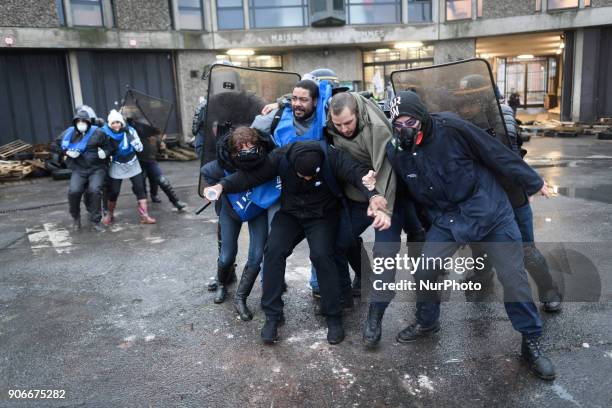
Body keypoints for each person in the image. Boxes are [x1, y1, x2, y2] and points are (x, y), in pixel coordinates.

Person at [378, 90, 555, 380]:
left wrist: (533, 182)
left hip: (489, 210)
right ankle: (427, 322)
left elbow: (496, 154)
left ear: (422, 117)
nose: (403, 128)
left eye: (409, 121)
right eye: (397, 123)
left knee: (513, 277)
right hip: (448, 219)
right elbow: (409, 194)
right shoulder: (396, 152)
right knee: (424, 271)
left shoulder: (451, 128)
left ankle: (531, 340)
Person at [204, 140, 390, 345]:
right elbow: (250, 177)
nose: (308, 178)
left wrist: (373, 195)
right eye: (303, 175)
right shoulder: (280, 157)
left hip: (322, 215)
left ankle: (334, 317)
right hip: (291, 214)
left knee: (322, 255)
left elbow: (356, 173)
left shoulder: (331, 156)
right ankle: (272, 316)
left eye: (313, 175)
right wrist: (222, 185)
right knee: (273, 252)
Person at [455, 75, 562, 313]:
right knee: (479, 244)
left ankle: (548, 289)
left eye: (469, 101)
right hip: (481, 196)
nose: (464, 106)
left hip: (511, 192)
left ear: (482, 99)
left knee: (525, 248)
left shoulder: (501, 116)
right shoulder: (463, 119)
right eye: (462, 102)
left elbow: (504, 151)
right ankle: (482, 280)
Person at [325, 91, 424, 347]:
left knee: (386, 255)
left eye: (348, 123)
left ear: (357, 114)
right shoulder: (330, 122)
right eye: (338, 125)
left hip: (390, 194)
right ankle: (362, 276)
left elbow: (387, 171)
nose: (344, 129)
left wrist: (382, 208)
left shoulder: (377, 128)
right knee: (341, 240)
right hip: (359, 195)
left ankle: (375, 316)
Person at [252, 77, 333, 298]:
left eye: (303, 99)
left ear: (315, 101)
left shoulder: (327, 116)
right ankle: (272, 284)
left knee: (320, 248)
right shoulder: (278, 115)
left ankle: (318, 284)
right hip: (282, 190)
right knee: (275, 245)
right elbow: (251, 134)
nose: (297, 103)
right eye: (294, 98)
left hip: (317, 192)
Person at [201, 127, 277, 318]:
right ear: (233, 152)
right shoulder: (222, 163)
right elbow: (206, 174)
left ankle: (240, 298)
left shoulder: (267, 158)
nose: (248, 154)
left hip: (257, 208)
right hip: (231, 210)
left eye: (252, 148)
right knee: (227, 255)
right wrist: (215, 193)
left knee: (257, 255)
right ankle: (221, 283)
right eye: (242, 150)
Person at [56, 110, 112, 232]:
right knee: (74, 191)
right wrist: (66, 152)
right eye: (78, 121)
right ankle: (76, 218)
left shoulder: (98, 133)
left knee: (94, 190)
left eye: (84, 121)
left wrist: (105, 153)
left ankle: (96, 221)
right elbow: (55, 145)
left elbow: (109, 147)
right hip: (78, 168)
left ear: (88, 122)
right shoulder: (68, 133)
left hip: (96, 168)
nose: (81, 123)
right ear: (75, 122)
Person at [101, 110, 155, 225]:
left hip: (132, 162)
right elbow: (101, 148)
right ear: (109, 124)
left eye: (118, 122)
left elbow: (140, 148)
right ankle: (110, 214)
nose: (116, 125)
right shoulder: (105, 133)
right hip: (117, 163)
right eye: (113, 123)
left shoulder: (130, 131)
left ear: (122, 122)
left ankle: (144, 215)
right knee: (114, 191)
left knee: (140, 188)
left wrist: (130, 136)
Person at [132, 120, 186, 211]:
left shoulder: (155, 138)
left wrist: (162, 147)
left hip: (151, 162)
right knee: (140, 183)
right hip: (139, 162)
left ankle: (175, 201)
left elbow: (160, 152)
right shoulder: (136, 136)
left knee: (161, 180)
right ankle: (143, 200)